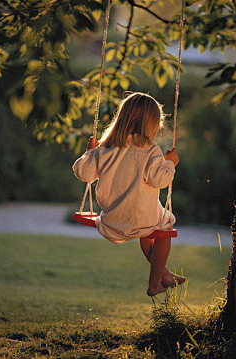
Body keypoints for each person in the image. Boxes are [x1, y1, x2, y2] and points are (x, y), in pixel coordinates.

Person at [72, 92, 185, 296]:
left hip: (110, 222)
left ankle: (166, 274)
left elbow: (84, 174)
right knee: (163, 225)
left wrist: (90, 152)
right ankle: (154, 284)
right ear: (150, 123)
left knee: (150, 231)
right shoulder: (151, 150)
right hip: (142, 220)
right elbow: (159, 180)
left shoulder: (106, 147)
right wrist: (170, 163)